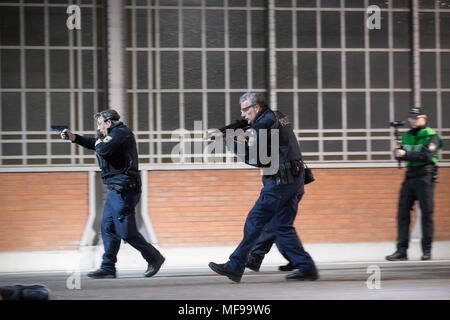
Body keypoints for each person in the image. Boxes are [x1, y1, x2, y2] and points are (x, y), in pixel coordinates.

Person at [208, 92, 318, 282]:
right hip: (296, 178)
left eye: (245, 110)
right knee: (281, 226)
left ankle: (235, 265)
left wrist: (229, 142)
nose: (243, 115)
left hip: (279, 182)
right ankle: (305, 267)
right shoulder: (277, 115)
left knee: (255, 220)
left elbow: (257, 157)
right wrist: (243, 131)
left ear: (256, 108)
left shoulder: (262, 124)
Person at [61, 109, 165, 278]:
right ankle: (108, 267)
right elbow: (96, 143)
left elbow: (102, 148)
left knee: (126, 231)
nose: (98, 128)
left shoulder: (121, 133)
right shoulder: (111, 136)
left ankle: (154, 257)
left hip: (125, 189)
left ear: (108, 123)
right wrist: (74, 138)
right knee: (108, 228)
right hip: (114, 189)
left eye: (100, 124)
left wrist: (97, 143)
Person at [386, 107, 442, 261]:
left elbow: (427, 155)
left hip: (425, 175)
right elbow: (401, 156)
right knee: (402, 213)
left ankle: (427, 251)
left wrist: (405, 154)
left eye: (416, 117)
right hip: (410, 175)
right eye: (411, 117)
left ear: (424, 117)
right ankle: (401, 251)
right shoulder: (406, 136)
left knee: (426, 214)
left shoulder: (432, 136)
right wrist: (397, 151)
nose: (413, 120)